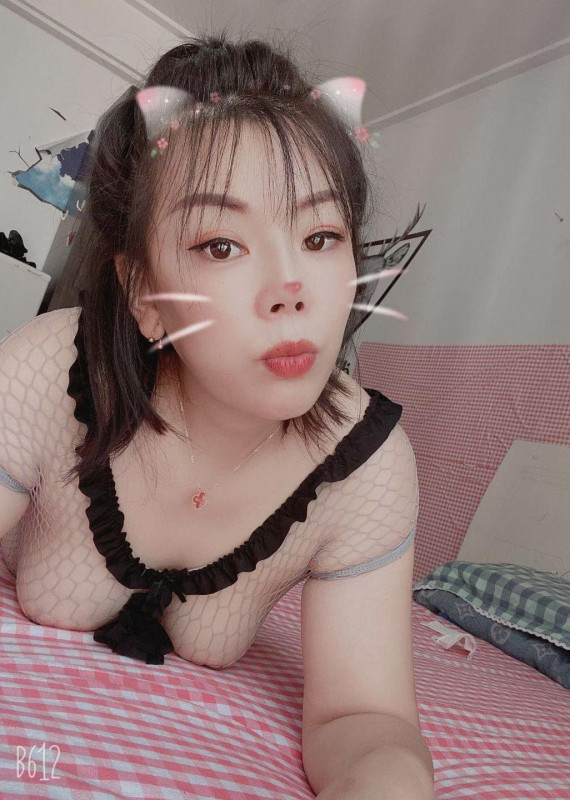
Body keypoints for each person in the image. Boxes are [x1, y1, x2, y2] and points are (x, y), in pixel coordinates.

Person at [0, 31, 434, 797]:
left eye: (321, 236)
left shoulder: (368, 469)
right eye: (223, 245)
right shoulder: (48, 370)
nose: (292, 289)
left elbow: (362, 716)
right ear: (144, 294)